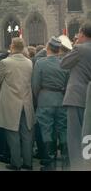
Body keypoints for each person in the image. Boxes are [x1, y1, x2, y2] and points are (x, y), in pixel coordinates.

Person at [0, 37, 35, 170]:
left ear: (12, 46)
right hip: (26, 100)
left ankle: (16, 162)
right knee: (26, 133)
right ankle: (28, 162)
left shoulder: (5, 62)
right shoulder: (29, 62)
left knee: (12, 133)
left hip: (11, 100)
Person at [32, 37, 70, 170]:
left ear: (47, 48)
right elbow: (67, 84)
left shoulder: (40, 63)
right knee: (63, 129)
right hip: (61, 99)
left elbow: (35, 85)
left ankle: (49, 163)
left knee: (46, 130)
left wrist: (39, 97)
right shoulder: (65, 63)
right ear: (59, 49)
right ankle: (66, 162)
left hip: (45, 98)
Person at [61, 21, 91, 170]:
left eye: (79, 33)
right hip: (89, 97)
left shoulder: (80, 49)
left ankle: (79, 168)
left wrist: (74, 45)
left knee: (74, 137)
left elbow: (64, 63)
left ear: (83, 34)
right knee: (88, 137)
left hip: (77, 98)